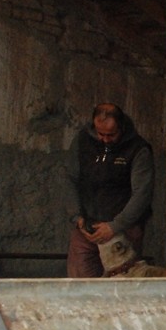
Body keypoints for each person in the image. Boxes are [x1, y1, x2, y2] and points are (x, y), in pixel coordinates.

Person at [66, 102, 154, 277]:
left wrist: (115, 226)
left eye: (111, 135)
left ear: (121, 127)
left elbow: (142, 194)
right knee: (79, 285)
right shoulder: (82, 141)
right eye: (100, 134)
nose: (105, 139)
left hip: (123, 231)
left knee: (123, 284)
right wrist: (77, 217)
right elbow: (70, 179)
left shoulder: (138, 149)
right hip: (87, 228)